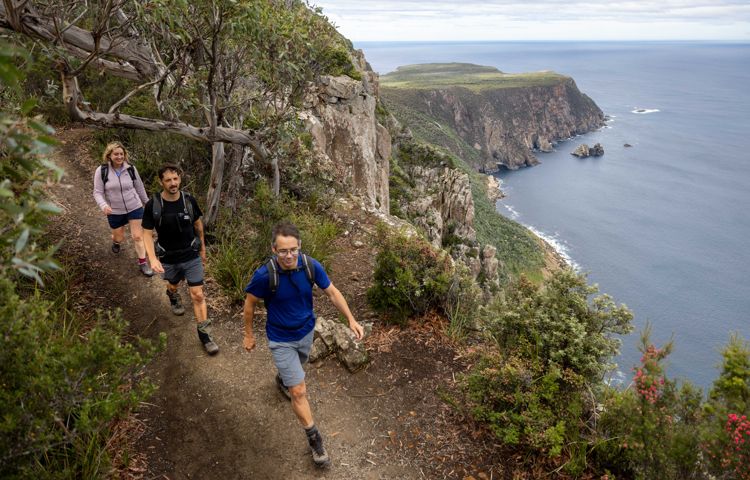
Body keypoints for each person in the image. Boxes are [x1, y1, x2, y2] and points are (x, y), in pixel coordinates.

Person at [242, 221, 364, 468]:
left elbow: (332, 292)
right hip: (280, 339)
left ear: (300, 247)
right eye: (283, 251)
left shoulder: (310, 266)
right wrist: (248, 334)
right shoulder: (265, 275)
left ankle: (283, 378)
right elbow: (250, 304)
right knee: (299, 390)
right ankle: (314, 439)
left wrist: (351, 319)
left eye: (293, 250)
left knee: (297, 370)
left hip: (306, 331)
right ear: (274, 249)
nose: (289, 256)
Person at [142, 164, 219, 355]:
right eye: (168, 180)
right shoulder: (154, 204)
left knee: (197, 294)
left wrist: (202, 248)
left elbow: (197, 224)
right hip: (168, 257)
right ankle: (172, 295)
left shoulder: (189, 201)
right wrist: (152, 259)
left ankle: (205, 336)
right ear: (161, 182)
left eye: (175, 179)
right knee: (173, 285)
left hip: (190, 255)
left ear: (180, 179)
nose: (173, 183)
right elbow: (146, 233)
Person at [92, 142, 153, 276]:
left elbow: (140, 188)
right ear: (109, 156)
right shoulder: (102, 171)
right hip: (115, 210)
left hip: (134, 207)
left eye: (121, 154)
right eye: (116, 154)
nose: (119, 157)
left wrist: (147, 204)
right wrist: (103, 205)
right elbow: (97, 192)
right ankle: (115, 241)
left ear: (124, 155)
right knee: (119, 237)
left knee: (137, 236)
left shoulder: (131, 169)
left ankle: (143, 263)